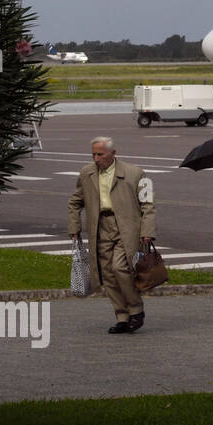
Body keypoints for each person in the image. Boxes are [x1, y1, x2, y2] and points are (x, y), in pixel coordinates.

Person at [67, 136, 156, 334]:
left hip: (126, 227)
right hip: (100, 226)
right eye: (93, 154)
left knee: (120, 268)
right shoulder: (86, 173)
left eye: (100, 154)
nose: (96, 158)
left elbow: (148, 205)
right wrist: (74, 227)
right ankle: (122, 317)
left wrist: (147, 231)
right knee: (107, 274)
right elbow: (75, 202)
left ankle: (136, 309)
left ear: (113, 153)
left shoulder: (136, 173)